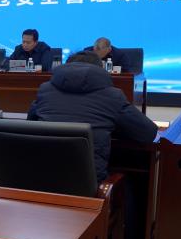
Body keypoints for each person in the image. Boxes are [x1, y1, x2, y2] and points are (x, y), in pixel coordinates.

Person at [28, 52, 157, 180]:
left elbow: (30, 124)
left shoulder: (44, 90)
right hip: (86, 183)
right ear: (100, 69)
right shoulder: (113, 96)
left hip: (41, 177)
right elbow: (148, 133)